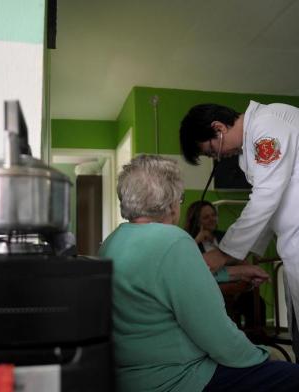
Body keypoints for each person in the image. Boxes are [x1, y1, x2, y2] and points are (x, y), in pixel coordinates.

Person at [99, 154, 299, 392]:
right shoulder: (172, 241)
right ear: (171, 202)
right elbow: (218, 337)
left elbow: (162, 283)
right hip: (178, 378)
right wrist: (264, 355)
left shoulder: (111, 243)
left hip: (129, 377)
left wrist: (233, 273)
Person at [179, 101, 299, 361]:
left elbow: (266, 198)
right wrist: (237, 257)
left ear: (218, 128)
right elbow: (270, 207)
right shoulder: (250, 151)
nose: (219, 158)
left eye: (212, 151)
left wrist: (223, 254)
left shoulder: (268, 126)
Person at [184, 200, 266, 328]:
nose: (212, 219)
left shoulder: (225, 236)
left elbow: (241, 259)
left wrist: (248, 271)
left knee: (255, 301)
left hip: (236, 285)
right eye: (206, 217)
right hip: (211, 288)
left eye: (213, 215)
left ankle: (255, 339)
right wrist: (197, 239)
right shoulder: (188, 241)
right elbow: (187, 265)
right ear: (196, 221)